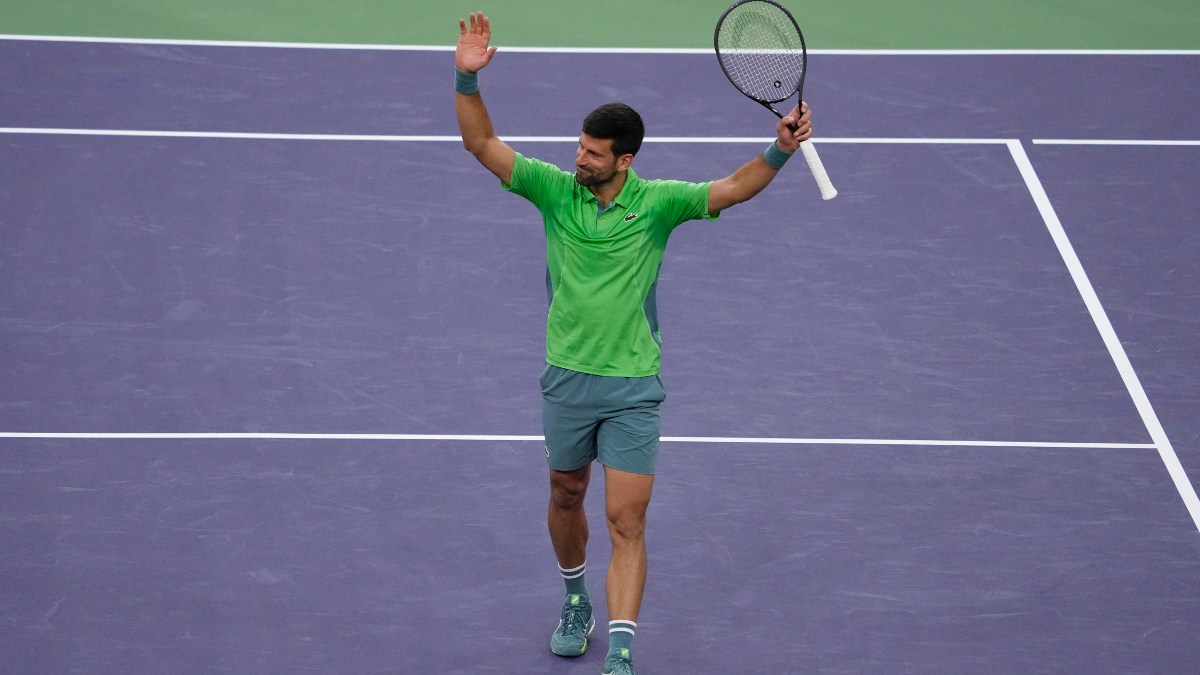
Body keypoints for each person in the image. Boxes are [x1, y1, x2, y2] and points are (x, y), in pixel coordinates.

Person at [454, 12, 813, 675]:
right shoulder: (554, 192)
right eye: (579, 146)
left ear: (625, 159)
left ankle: (620, 649)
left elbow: (731, 191)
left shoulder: (659, 205)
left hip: (631, 388)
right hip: (566, 376)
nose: (578, 157)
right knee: (565, 494)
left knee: (626, 518)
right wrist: (466, 78)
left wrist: (779, 151)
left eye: (592, 152)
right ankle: (574, 601)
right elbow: (482, 144)